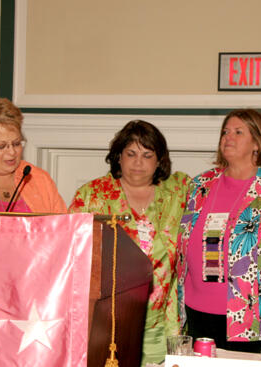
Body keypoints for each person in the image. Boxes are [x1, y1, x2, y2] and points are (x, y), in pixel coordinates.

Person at [177, 109, 261, 353]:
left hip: (254, 317)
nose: (228, 137)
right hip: (197, 310)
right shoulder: (200, 185)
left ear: (258, 143)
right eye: (225, 132)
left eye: (238, 132)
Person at [68, 120, 189, 366]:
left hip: (163, 323)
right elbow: (71, 253)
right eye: (131, 154)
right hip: (108, 325)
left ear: (159, 160)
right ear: (118, 157)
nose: (138, 163)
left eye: (147, 155)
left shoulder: (179, 191)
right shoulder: (92, 194)